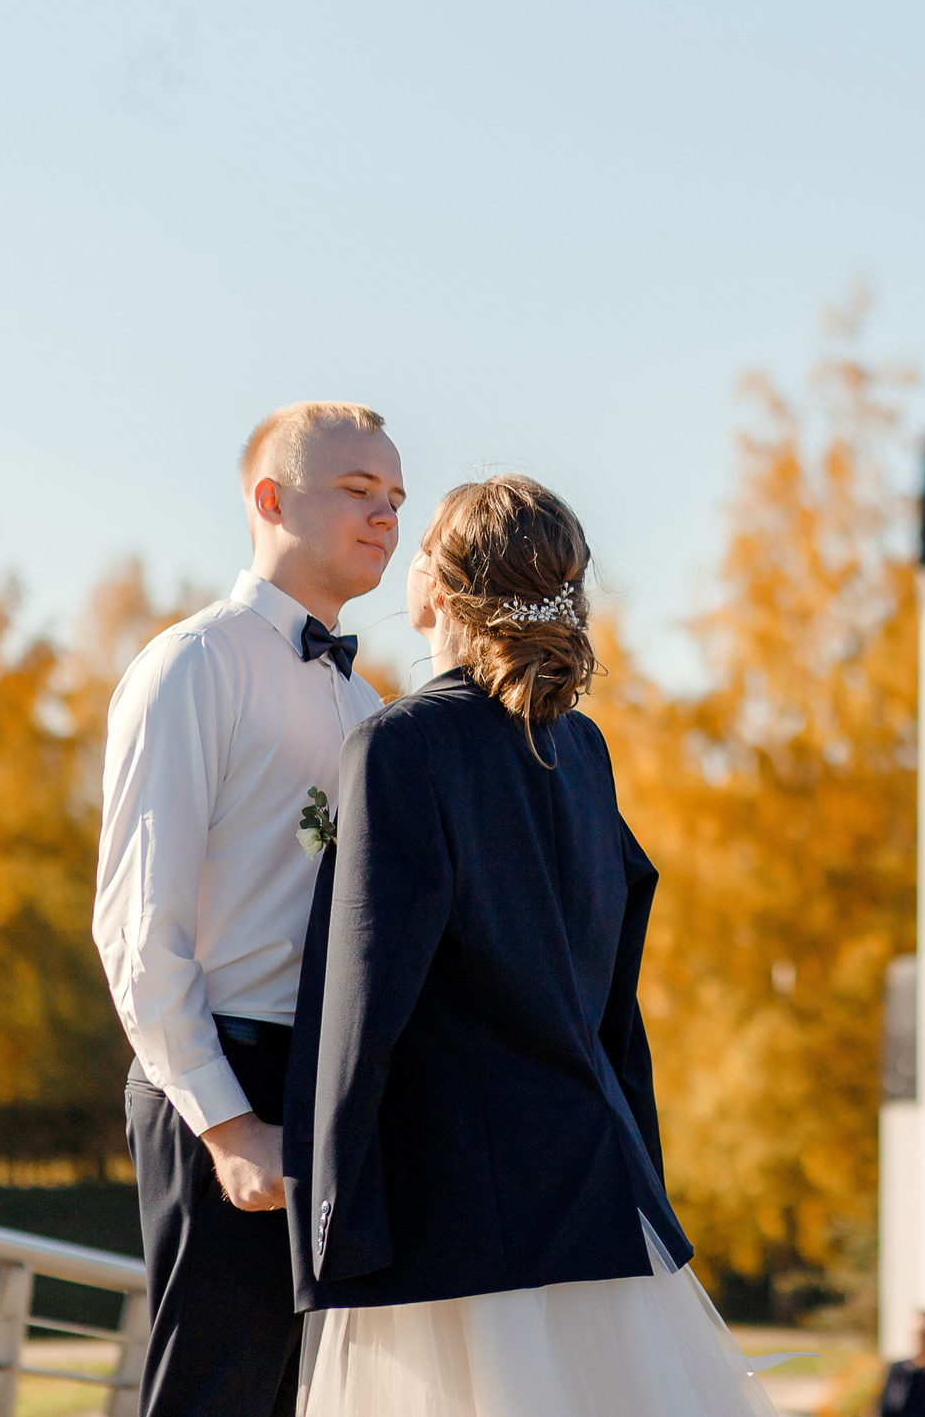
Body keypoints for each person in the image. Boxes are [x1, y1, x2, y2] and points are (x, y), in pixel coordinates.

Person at [283, 475, 776, 1417]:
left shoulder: (401, 748)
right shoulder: (584, 750)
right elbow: (615, 1001)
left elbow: (363, 1000)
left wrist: (331, 1205)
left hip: (460, 1212)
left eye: (422, 542)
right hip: (598, 1188)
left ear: (441, 585)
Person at [93, 402, 404, 1417]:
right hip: (220, 1085)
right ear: (270, 500)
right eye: (358, 492)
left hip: (319, 1091)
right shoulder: (194, 665)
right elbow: (138, 923)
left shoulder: (364, 706)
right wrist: (226, 1124)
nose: (385, 517)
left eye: (395, 498)